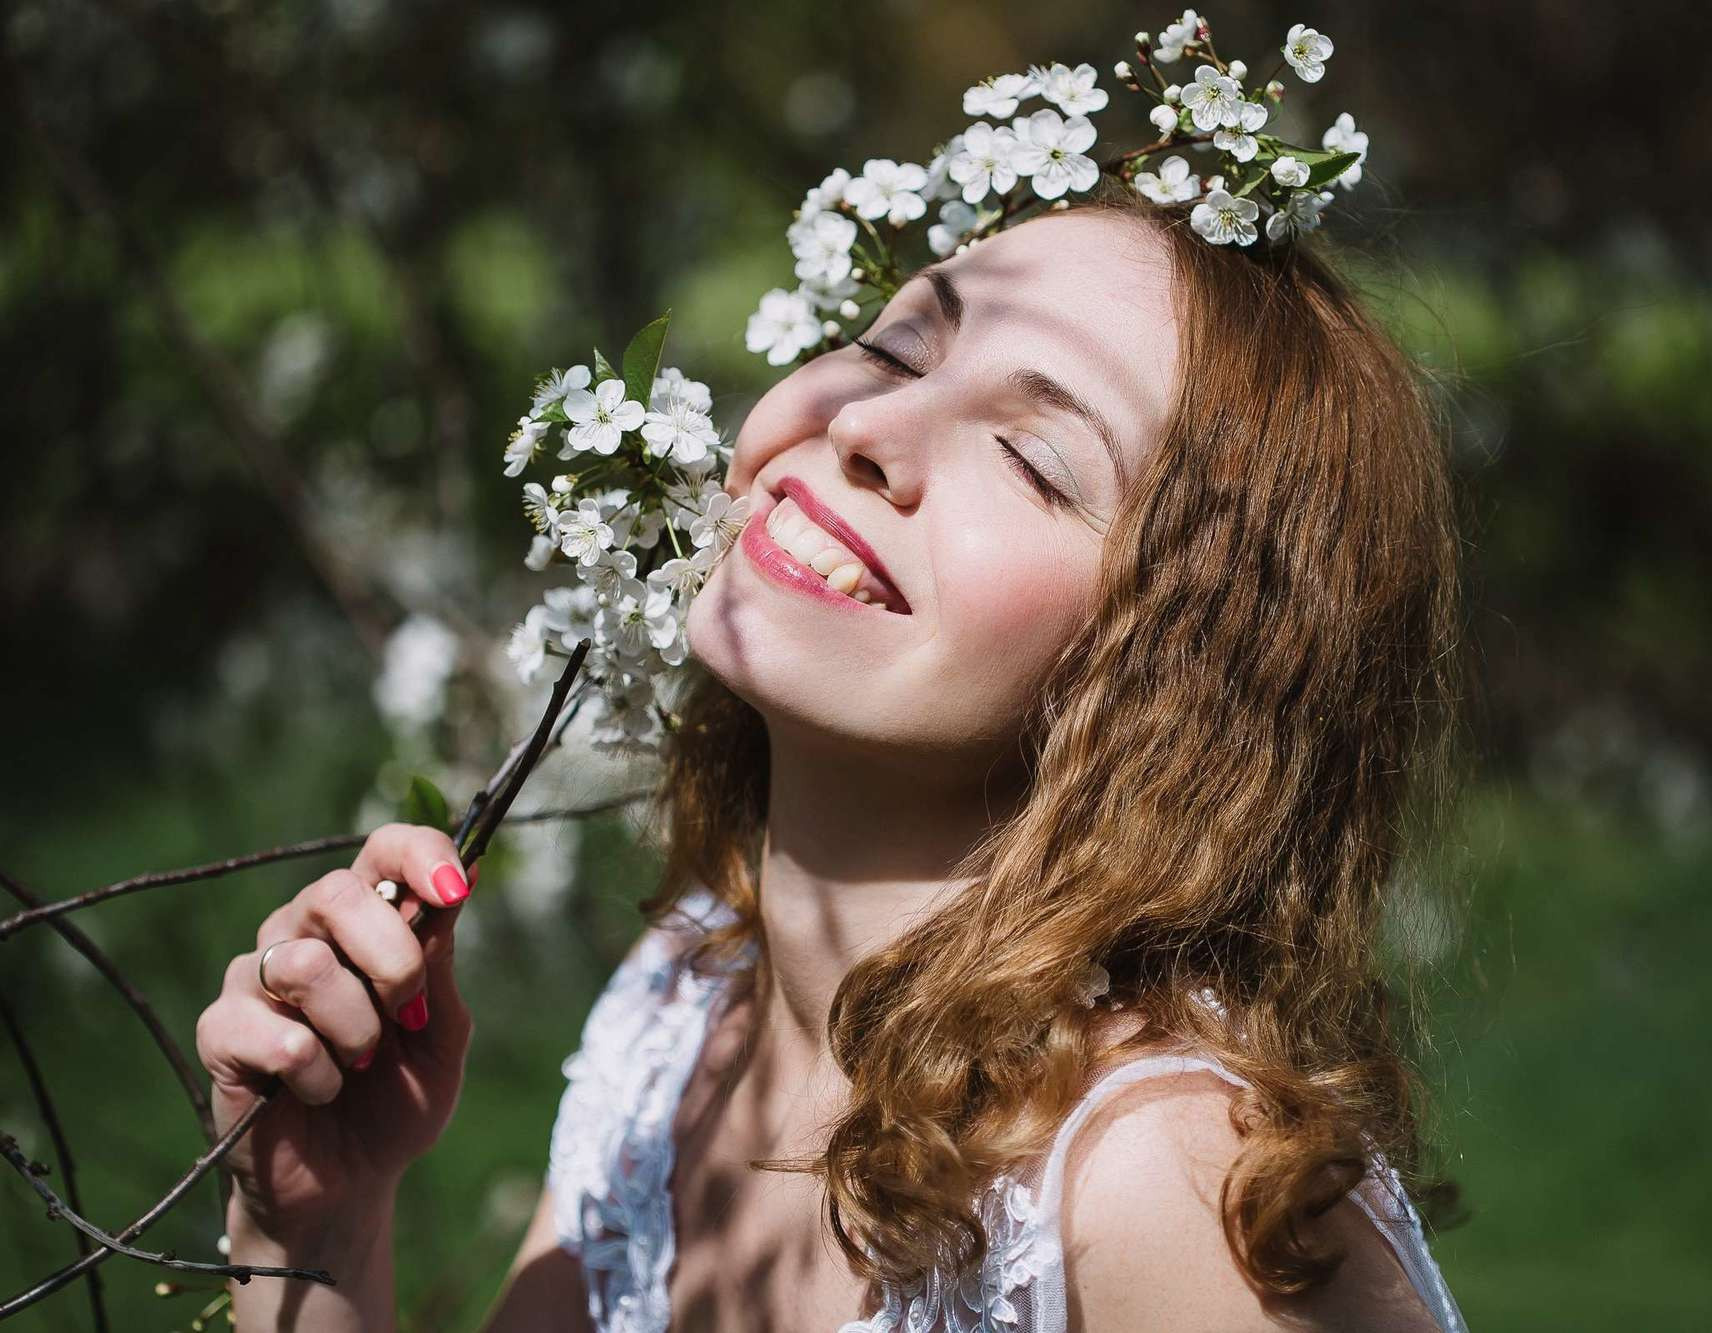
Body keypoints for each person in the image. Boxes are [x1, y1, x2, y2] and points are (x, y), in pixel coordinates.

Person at [195, 176, 1472, 1331]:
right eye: (895, 342)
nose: (873, 421)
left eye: (1033, 461)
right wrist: (313, 1227)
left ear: (1178, 684)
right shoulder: (680, 1016)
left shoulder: (1159, 1191)